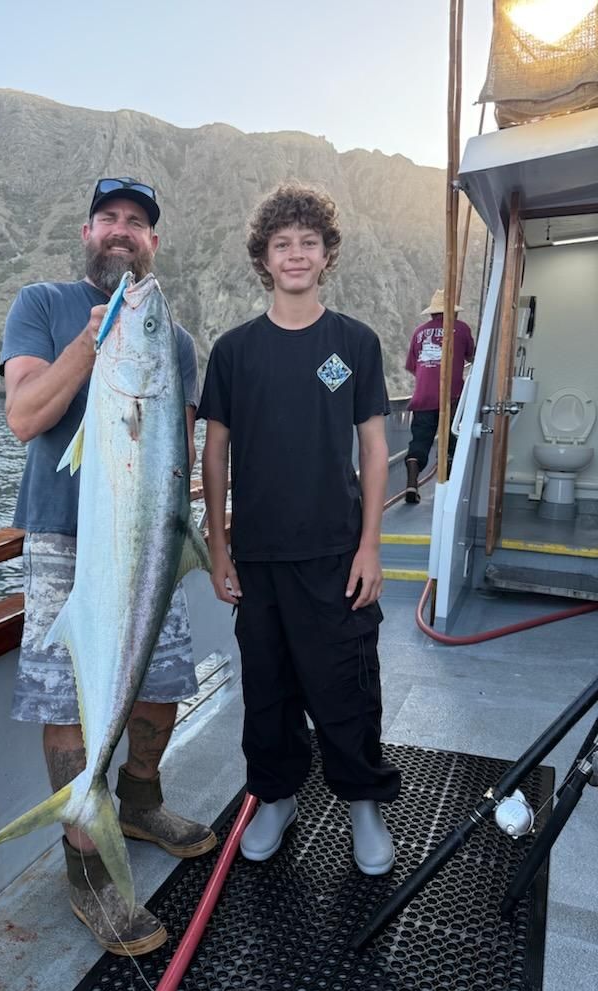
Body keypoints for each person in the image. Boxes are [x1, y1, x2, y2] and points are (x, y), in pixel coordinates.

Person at [0, 176, 216, 957]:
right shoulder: (42, 305)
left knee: (162, 690)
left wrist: (197, 542)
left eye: (138, 223)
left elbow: (174, 453)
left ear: (153, 243)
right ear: (88, 231)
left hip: (151, 539)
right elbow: (26, 417)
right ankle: (86, 864)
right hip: (65, 541)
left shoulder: (174, 341)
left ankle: (138, 801)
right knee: (71, 697)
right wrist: (95, 343)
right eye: (110, 219)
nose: (122, 231)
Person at [198, 182, 401, 875]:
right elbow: (215, 451)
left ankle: (363, 802)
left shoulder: (353, 345)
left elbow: (374, 448)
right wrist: (219, 545)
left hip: (334, 550)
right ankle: (276, 796)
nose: (295, 255)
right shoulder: (234, 351)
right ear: (263, 257)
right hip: (256, 555)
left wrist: (372, 545)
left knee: (344, 684)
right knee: (267, 686)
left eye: (307, 243)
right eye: (281, 244)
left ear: (327, 254)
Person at [404, 289, 475, 503]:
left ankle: (411, 485)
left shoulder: (419, 332)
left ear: (432, 313)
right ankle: (448, 491)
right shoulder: (461, 328)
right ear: (452, 312)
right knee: (452, 442)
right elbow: (471, 356)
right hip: (452, 397)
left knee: (420, 441)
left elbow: (412, 366)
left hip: (423, 397)